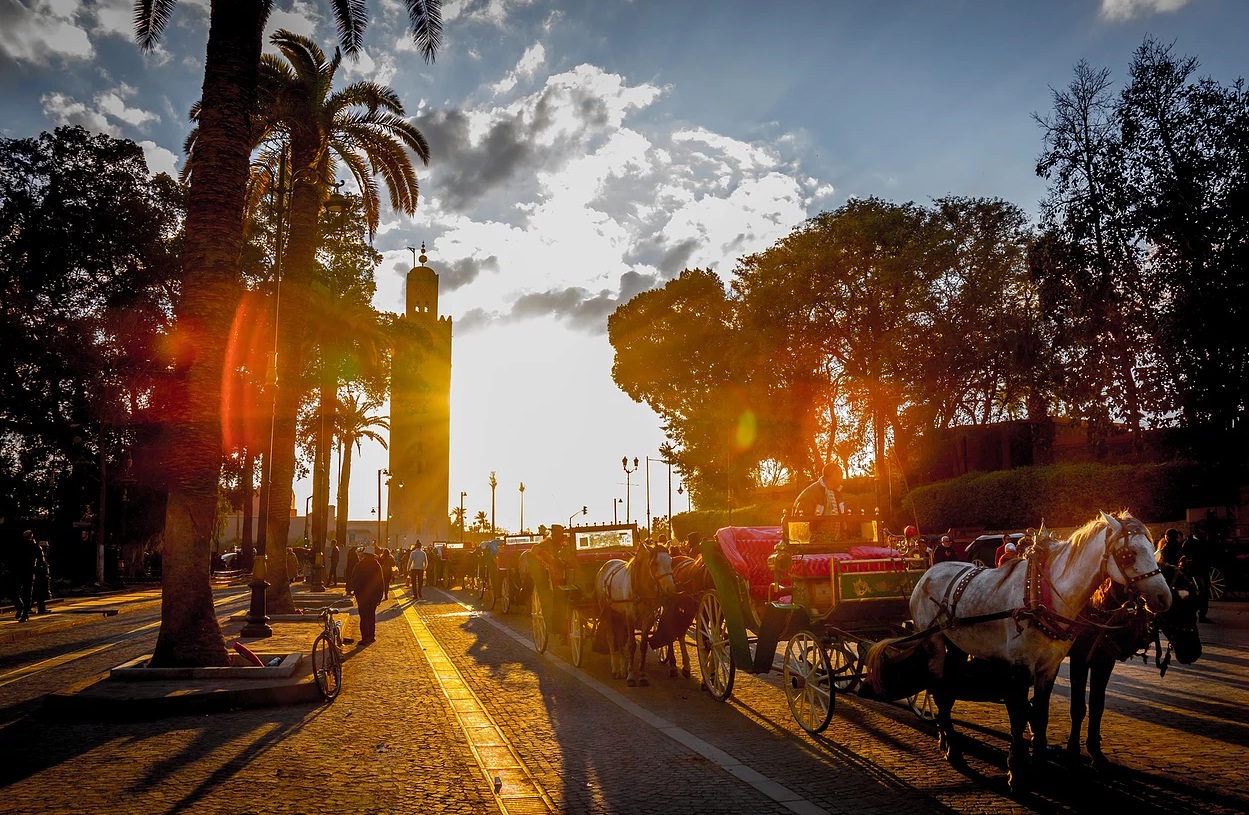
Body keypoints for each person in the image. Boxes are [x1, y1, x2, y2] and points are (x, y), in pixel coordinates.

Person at [351, 548, 385, 645]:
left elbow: (353, 579)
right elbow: (380, 582)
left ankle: (365, 637)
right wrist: (379, 596)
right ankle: (371, 636)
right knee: (371, 616)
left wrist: (356, 592)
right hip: (373, 596)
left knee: (364, 617)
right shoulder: (376, 565)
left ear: (365, 555)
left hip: (362, 596)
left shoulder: (359, 565)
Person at [1182, 528, 1212, 622]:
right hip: (1195, 571)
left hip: (1202, 570)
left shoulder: (1201, 542)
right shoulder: (1189, 543)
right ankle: (1198, 613)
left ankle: (1202, 613)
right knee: (1200, 591)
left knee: (1204, 591)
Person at [13, 531, 40, 622]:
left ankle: (22, 610)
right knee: (27, 593)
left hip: (22, 571)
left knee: (18, 592)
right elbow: (40, 561)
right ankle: (24, 611)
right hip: (27, 572)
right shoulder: (35, 546)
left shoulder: (20, 546)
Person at [33, 541, 51, 614]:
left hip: (41, 576)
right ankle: (41, 609)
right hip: (39, 577)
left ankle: (41, 608)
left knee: (40, 593)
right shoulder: (39, 556)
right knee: (39, 593)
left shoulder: (42, 556)